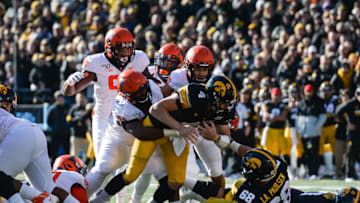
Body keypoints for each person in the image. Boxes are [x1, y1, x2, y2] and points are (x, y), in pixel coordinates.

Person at [63, 27, 150, 159]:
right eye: (121, 50)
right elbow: (70, 92)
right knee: (102, 160)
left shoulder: (139, 59)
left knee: (128, 160)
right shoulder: (96, 63)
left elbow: (150, 83)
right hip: (104, 116)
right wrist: (69, 83)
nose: (126, 54)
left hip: (129, 116)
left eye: (129, 49)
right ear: (109, 48)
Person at [160, 45, 227, 191]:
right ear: (188, 66)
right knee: (188, 172)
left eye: (205, 69)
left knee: (216, 170)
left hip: (204, 128)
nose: (202, 73)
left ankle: (222, 199)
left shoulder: (216, 81)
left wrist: (218, 134)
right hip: (182, 130)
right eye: (198, 68)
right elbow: (161, 97)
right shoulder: (178, 77)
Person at [0, 85, 79, 203]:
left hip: (18, 135)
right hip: (33, 130)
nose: (9, 108)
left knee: (3, 183)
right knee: (48, 187)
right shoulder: (7, 116)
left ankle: (40, 197)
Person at [296, 84, 326, 179]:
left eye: (310, 91)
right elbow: (298, 118)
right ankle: (308, 172)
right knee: (306, 153)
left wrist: (315, 128)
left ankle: (314, 172)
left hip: (314, 133)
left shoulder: (318, 102)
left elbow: (322, 117)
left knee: (314, 153)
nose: (309, 94)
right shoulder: (301, 103)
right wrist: (300, 129)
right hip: (304, 133)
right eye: (307, 92)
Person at [335, 86, 360, 180]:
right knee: (351, 153)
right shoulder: (351, 103)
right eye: (359, 94)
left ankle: (355, 173)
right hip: (352, 133)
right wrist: (347, 123)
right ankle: (349, 174)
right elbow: (338, 112)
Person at [47, 90, 70, 160]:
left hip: (66, 134)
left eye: (61, 97)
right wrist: (55, 128)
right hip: (55, 134)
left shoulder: (68, 108)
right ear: (56, 99)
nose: (60, 99)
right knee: (53, 153)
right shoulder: (52, 109)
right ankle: (52, 168)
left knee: (67, 152)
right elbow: (49, 121)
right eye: (58, 98)